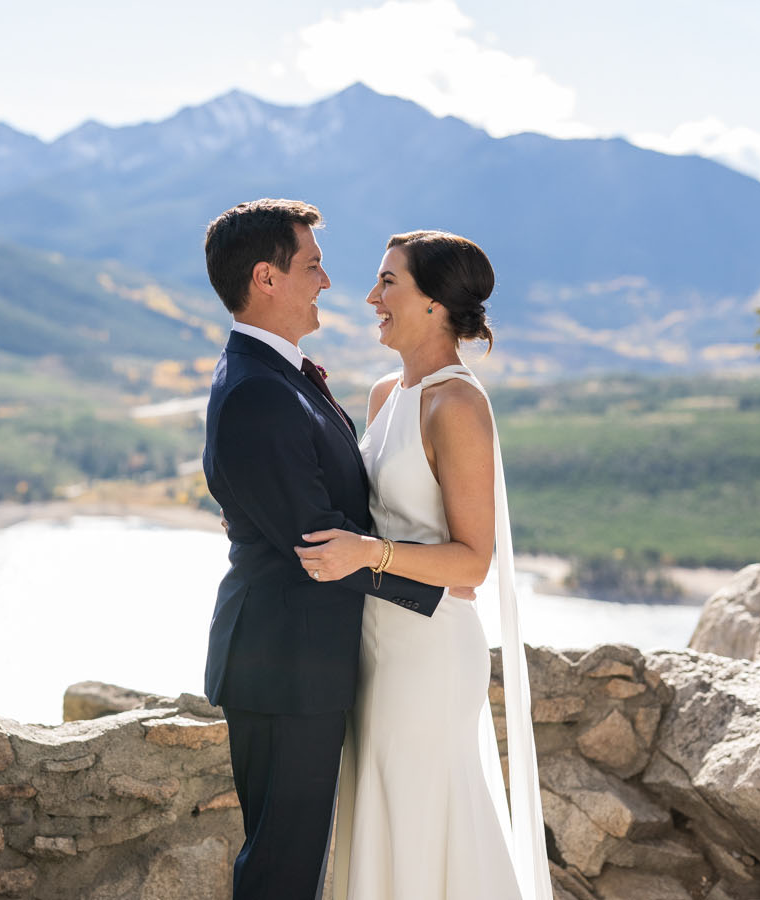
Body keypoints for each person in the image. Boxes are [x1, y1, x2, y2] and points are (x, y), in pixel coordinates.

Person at [294, 230, 553, 900]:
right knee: (377, 814)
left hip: (430, 655)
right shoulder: (387, 395)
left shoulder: (457, 405)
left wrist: (369, 555)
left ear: (435, 303)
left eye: (388, 284)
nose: (370, 297)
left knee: (418, 817)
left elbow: (472, 564)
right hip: (374, 645)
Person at [201, 200, 446, 900]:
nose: (329, 283)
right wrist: (437, 585)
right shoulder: (259, 392)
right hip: (284, 665)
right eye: (312, 266)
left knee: (294, 865)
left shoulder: (280, 378)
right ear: (265, 279)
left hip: (296, 660)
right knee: (282, 871)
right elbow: (318, 544)